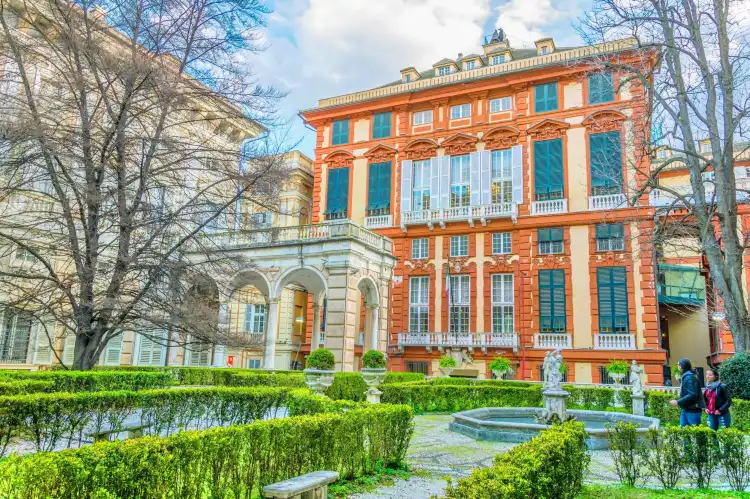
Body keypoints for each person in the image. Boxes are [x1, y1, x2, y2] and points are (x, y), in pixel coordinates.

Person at [669, 358, 706, 427]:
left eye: (678, 364)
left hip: (693, 410)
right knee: (684, 432)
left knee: (694, 434)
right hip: (687, 409)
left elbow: (692, 394)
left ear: (681, 366)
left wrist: (678, 402)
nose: (677, 366)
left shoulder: (689, 377)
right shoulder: (687, 376)